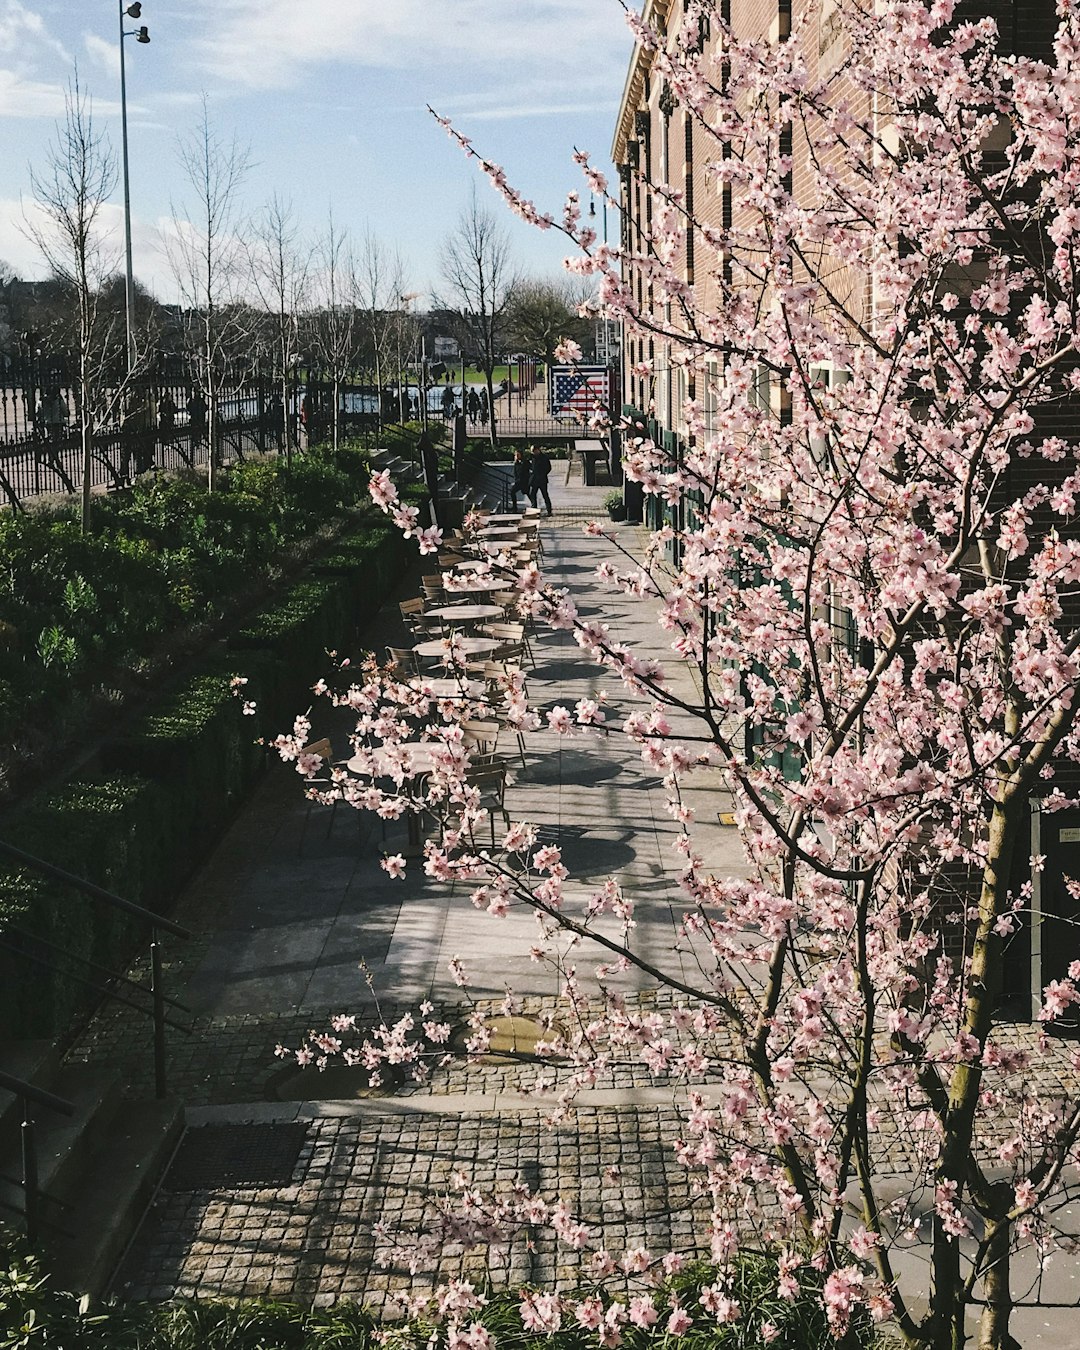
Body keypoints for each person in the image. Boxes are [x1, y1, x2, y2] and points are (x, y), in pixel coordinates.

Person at [528, 445, 553, 516]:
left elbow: (548, 467)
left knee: (545, 495)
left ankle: (549, 510)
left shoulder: (544, 457)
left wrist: (542, 474)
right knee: (532, 494)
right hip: (534, 480)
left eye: (533, 451)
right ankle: (534, 509)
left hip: (542, 480)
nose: (533, 453)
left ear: (537, 450)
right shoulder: (532, 457)